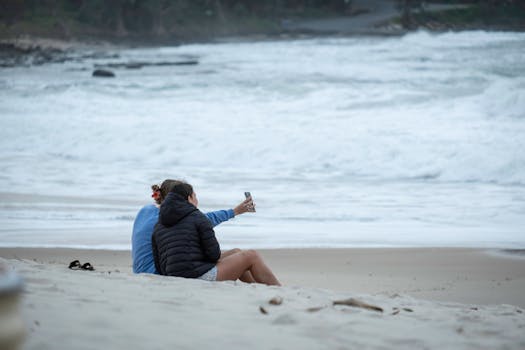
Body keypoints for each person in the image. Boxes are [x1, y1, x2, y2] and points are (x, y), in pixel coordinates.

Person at [152, 181, 280, 286]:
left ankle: (260, 289)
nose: (197, 200)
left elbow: (159, 265)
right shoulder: (197, 216)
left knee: (236, 252)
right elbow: (213, 255)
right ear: (189, 198)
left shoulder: (158, 225)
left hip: (174, 281)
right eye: (195, 196)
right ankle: (278, 290)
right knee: (251, 255)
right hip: (197, 278)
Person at [132, 179, 255, 274]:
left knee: (236, 253)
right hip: (156, 273)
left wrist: (236, 211)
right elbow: (206, 220)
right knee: (242, 258)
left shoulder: (146, 210)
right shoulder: (166, 219)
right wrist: (235, 211)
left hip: (140, 271)